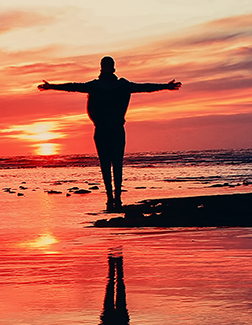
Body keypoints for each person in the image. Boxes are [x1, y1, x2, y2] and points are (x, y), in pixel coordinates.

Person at [39, 56, 181, 211]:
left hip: (108, 130)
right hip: (109, 130)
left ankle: (115, 197)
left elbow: (144, 87)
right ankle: (112, 197)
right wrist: (52, 86)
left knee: (112, 164)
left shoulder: (107, 85)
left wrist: (165, 86)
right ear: (112, 68)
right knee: (110, 164)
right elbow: (73, 86)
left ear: (103, 68)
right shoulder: (111, 85)